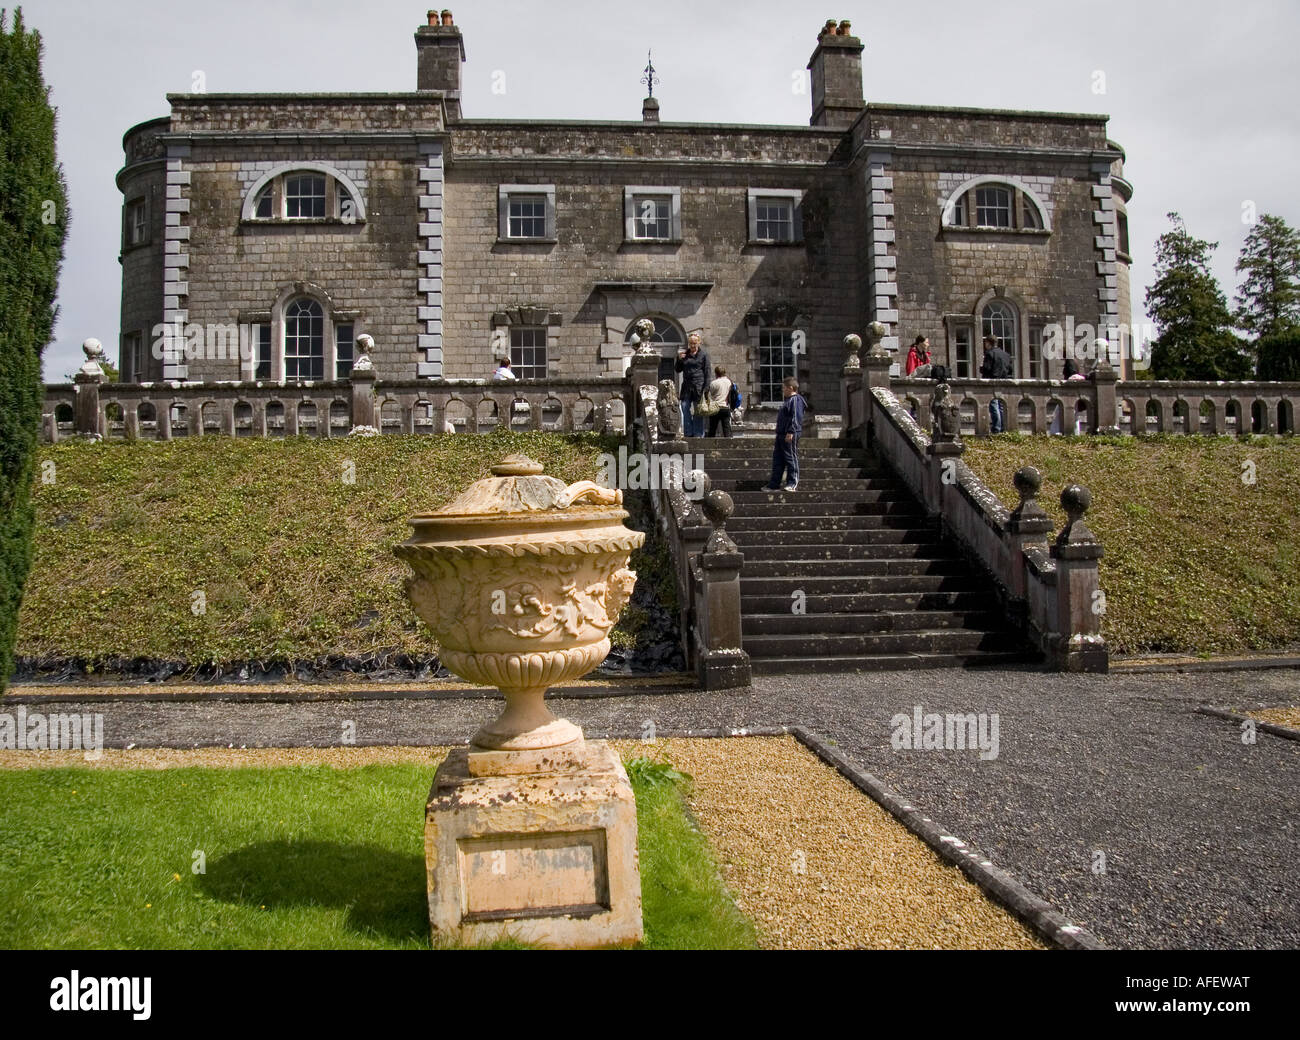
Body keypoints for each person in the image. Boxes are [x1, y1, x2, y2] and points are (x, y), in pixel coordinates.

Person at [766, 377, 805, 492]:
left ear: (791, 388)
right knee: (778, 459)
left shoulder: (796, 400)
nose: (783, 390)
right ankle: (774, 484)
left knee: (790, 457)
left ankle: (792, 483)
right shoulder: (788, 401)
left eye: (784, 388)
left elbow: (796, 417)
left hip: (789, 434)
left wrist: (791, 431)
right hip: (781, 434)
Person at [674, 332, 712, 437]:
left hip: (699, 387)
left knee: (698, 411)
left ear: (699, 343)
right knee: (684, 407)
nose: (692, 345)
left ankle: (698, 433)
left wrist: (706, 388)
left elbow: (707, 372)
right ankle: (688, 432)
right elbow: (677, 370)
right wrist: (679, 359)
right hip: (686, 387)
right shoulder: (685, 355)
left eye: (695, 343)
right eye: (691, 343)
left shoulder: (704, 355)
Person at [979, 335, 1013, 433]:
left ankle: (996, 428)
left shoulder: (989, 354)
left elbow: (987, 369)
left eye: (985, 343)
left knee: (994, 405)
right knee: (1001, 406)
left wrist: (981, 369)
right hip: (1004, 382)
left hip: (992, 382)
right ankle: (1002, 427)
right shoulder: (1006, 354)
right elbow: (1010, 369)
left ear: (988, 343)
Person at [705, 365, 735, 438]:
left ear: (716, 373)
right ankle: (728, 444)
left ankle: (710, 445)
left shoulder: (714, 383)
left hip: (715, 407)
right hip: (725, 407)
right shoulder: (729, 382)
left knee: (712, 429)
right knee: (726, 428)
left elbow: (709, 394)